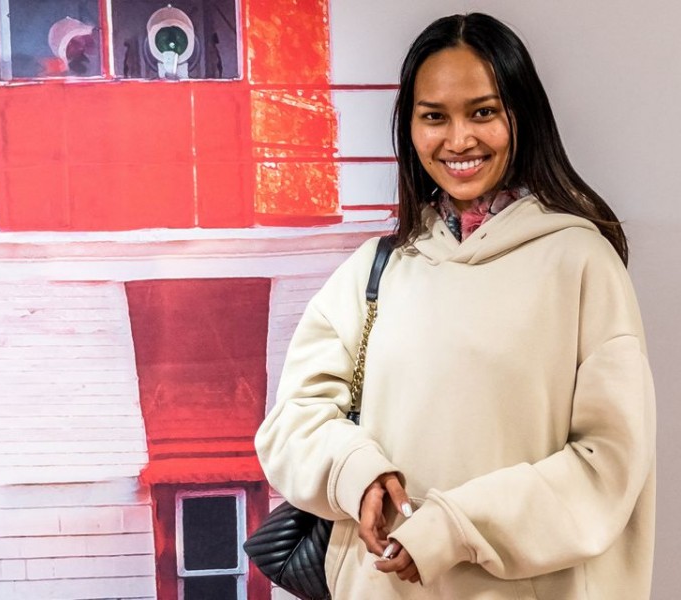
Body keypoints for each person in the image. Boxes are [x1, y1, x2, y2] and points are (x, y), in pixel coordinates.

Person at [255, 12, 655, 600]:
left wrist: (455, 526)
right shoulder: (378, 267)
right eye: (434, 116)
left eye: (483, 112)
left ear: (522, 117)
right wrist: (355, 473)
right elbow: (292, 422)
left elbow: (608, 465)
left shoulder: (580, 263)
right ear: (410, 128)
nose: (458, 139)